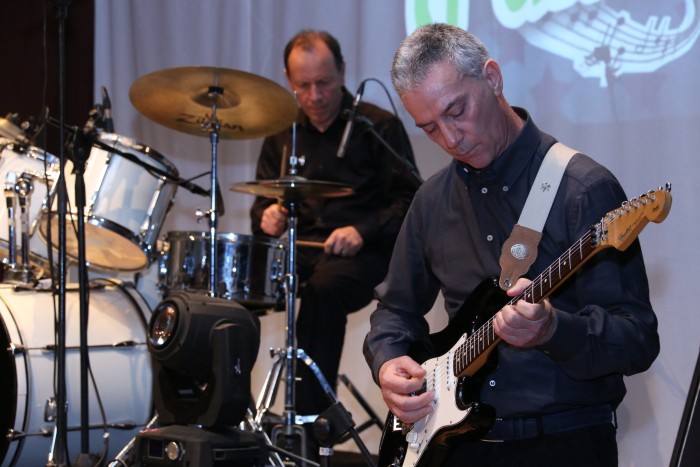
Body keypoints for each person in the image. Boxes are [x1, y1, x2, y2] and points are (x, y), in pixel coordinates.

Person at [363, 23, 659, 466]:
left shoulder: (582, 189)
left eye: (456, 110)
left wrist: (554, 329)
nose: (450, 139)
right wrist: (388, 363)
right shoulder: (431, 200)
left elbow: (637, 339)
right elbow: (395, 309)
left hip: (562, 443)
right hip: (455, 448)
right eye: (430, 128)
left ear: (493, 78)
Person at [250, 30, 421, 425]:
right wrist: (267, 216)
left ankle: (311, 423)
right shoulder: (281, 133)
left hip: (366, 256)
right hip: (302, 249)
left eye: (324, 83)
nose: (315, 96)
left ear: (342, 72)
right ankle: (233, 415)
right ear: (288, 80)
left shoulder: (378, 126)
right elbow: (261, 203)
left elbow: (411, 199)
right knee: (234, 288)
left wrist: (362, 230)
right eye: (303, 85)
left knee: (322, 291)